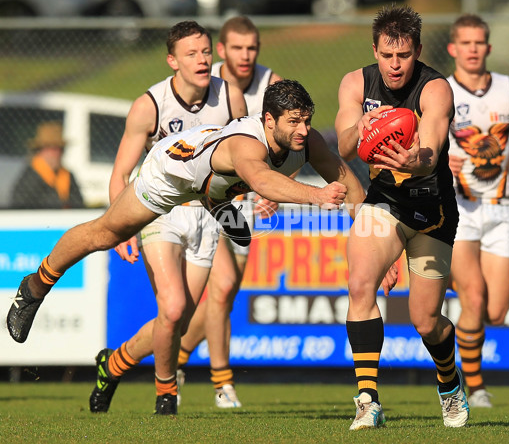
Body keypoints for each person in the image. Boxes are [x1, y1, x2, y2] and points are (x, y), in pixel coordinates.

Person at [6, 79, 366, 415]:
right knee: (106, 234)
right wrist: (316, 195)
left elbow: (349, 184)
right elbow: (261, 180)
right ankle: (34, 286)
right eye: (294, 122)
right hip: (170, 175)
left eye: (307, 121)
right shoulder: (247, 143)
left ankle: (217, 198)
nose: (303, 130)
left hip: (211, 182)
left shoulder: (307, 141)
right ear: (269, 120)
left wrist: (376, 246)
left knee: (178, 314)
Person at [86, 20, 247, 415]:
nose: (202, 59)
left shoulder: (230, 97)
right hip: (160, 213)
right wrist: (121, 227)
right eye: (191, 54)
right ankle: (165, 393)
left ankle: (113, 364)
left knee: (175, 322)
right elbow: (120, 174)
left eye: (206, 52)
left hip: (207, 219)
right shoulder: (151, 105)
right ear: (172, 60)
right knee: (173, 310)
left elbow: (245, 157)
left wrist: (249, 193)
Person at [335, 5, 469, 430]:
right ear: (374, 49)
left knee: (425, 320)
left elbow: (430, 151)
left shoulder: (435, 89)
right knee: (360, 284)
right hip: (384, 203)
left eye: (405, 55)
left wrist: (417, 158)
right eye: (387, 55)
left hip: (432, 211)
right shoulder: (356, 83)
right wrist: (361, 129)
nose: (395, 65)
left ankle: (449, 384)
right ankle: (367, 400)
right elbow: (341, 145)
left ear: (418, 52)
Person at [176, 15, 282, 408]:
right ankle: (223, 384)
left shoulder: (274, 85)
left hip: (246, 203)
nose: (245, 55)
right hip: (206, 201)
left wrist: (272, 187)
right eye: (236, 48)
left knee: (226, 294)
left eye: (251, 47)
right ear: (221, 51)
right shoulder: (208, 82)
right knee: (220, 289)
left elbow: (295, 139)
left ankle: (179, 354)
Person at [446, 14, 509, 408]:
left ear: (488, 47)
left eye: (478, 42)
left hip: (501, 209)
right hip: (460, 209)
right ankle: (476, 387)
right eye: (464, 42)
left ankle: (443, 285)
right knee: (474, 295)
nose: (472, 49)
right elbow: (419, 146)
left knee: (496, 311)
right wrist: (438, 163)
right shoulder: (441, 91)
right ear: (452, 48)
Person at [10, 121, 84, 209]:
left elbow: (79, 202)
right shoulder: (30, 176)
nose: (57, 153)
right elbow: (20, 205)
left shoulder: (67, 175)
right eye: (52, 148)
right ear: (40, 149)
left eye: (60, 148)